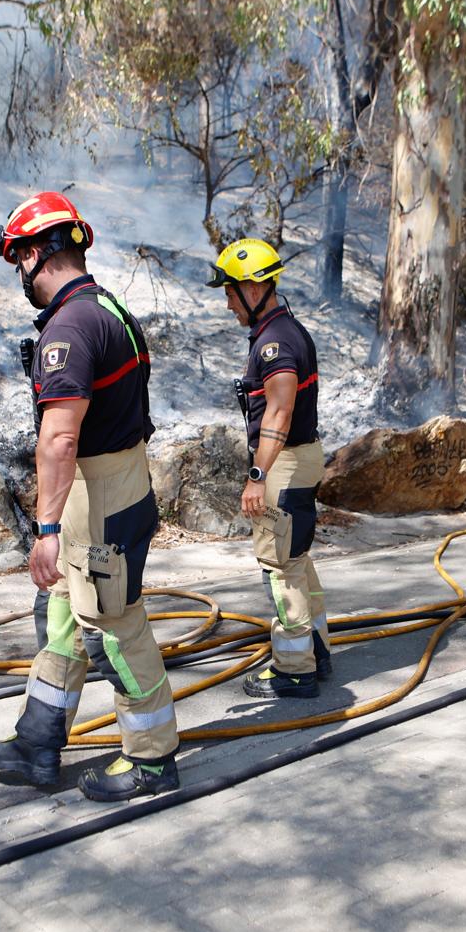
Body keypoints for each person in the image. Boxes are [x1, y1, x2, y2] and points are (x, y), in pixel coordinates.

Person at [0, 190, 181, 801]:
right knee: (62, 614)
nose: (21, 276)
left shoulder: (68, 328)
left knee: (113, 627)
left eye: (20, 262)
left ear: (40, 253)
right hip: (117, 483)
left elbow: (59, 440)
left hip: (99, 499)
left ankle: (152, 759)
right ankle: (39, 741)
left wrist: (46, 531)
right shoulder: (108, 309)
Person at [209, 238, 332, 699]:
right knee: (298, 565)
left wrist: (257, 475)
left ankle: (294, 669)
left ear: (253, 288)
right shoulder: (288, 330)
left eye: (229, 291)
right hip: (300, 460)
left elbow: (279, 412)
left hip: (282, 466)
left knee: (280, 571)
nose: (227, 302)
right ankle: (316, 651)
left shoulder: (274, 343)